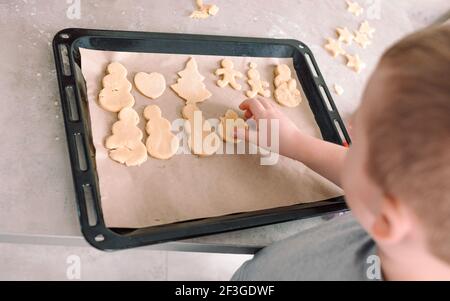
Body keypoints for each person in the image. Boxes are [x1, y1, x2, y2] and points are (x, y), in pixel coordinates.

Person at [232, 25, 450, 280]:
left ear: (386, 218)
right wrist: (294, 142)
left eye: (357, 137)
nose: (349, 124)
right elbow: (361, 174)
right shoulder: (405, 220)